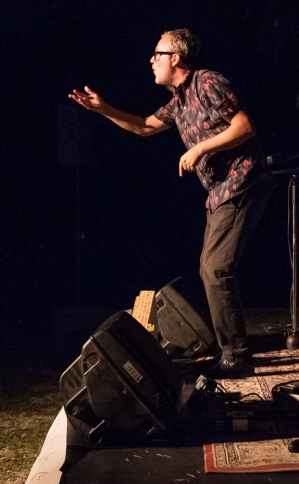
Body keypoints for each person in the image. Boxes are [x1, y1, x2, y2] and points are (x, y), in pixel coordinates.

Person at [69, 28, 271, 378]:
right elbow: (145, 127)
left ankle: (236, 355)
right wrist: (103, 109)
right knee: (212, 269)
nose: (151, 60)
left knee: (215, 269)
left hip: (242, 182)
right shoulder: (179, 102)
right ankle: (233, 350)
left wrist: (199, 148)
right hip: (219, 192)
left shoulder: (208, 82)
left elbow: (244, 127)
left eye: (157, 54)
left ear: (175, 58)